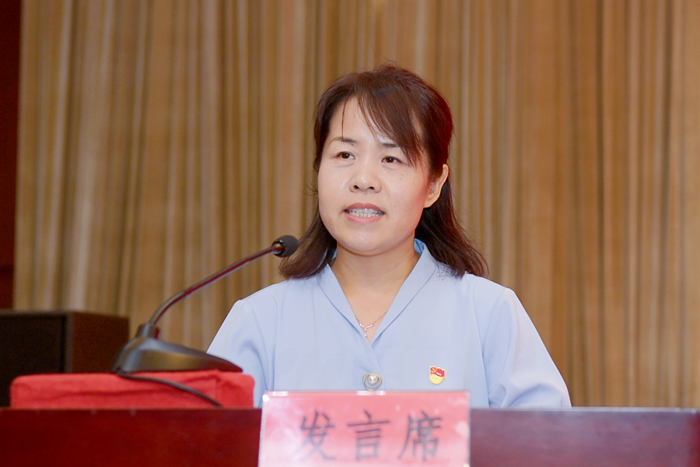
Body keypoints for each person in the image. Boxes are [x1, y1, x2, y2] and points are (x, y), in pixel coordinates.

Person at [208, 64, 571, 408]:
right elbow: (203, 438)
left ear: (434, 185)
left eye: (391, 159)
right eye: (345, 154)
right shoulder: (260, 320)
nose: (363, 179)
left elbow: (550, 441)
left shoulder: (489, 314)